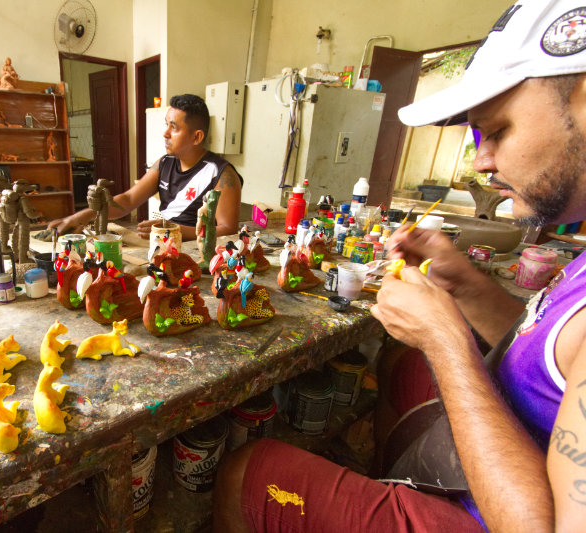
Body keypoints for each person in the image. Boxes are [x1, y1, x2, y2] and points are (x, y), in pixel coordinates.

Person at [213, 1, 586, 531]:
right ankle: (384, 484)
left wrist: (446, 341)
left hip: (493, 514)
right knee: (402, 362)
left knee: (247, 468)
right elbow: (548, 358)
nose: (481, 160)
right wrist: (470, 288)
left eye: (497, 130)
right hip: (513, 454)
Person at [47, 94, 242, 241]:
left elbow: (227, 229)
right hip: (163, 245)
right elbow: (128, 199)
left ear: (197, 137)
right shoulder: (164, 163)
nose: (165, 133)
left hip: (196, 255)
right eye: (166, 125)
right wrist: (81, 216)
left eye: (174, 127)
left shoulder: (222, 174)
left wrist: (171, 230)